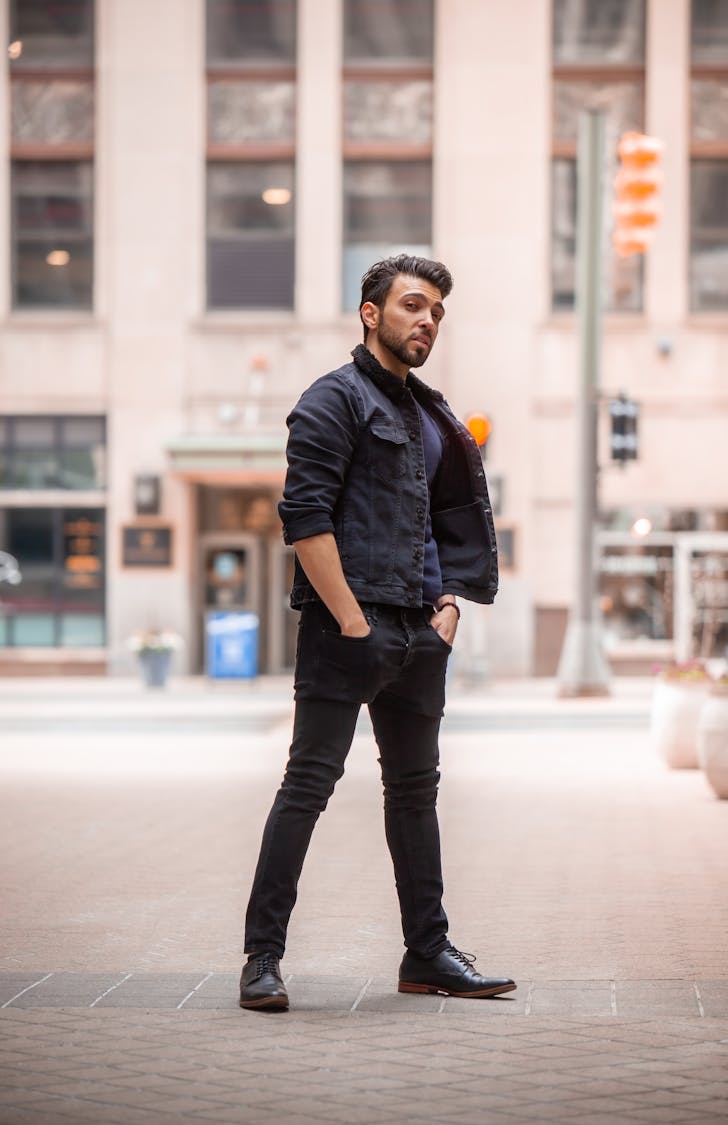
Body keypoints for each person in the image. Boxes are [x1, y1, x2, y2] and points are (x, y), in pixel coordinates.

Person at [240, 254, 516, 1011]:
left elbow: (449, 522)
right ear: (371, 313)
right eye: (413, 306)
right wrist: (355, 622)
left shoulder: (433, 415)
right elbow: (305, 518)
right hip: (347, 630)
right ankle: (261, 958)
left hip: (421, 634)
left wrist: (449, 610)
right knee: (307, 787)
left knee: (415, 794)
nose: (427, 321)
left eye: (436, 313)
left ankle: (427, 952)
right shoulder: (331, 399)